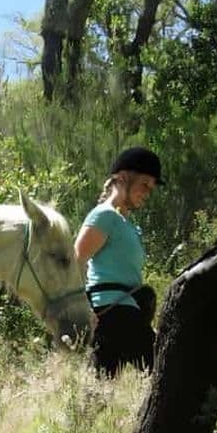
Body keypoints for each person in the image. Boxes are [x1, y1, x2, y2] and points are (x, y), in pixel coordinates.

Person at [74, 147, 162, 378]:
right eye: (144, 184)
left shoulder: (127, 224)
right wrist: (83, 310)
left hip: (124, 310)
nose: (147, 193)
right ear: (122, 178)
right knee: (165, 371)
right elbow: (76, 261)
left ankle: (82, 414)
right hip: (112, 311)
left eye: (151, 189)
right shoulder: (104, 216)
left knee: (99, 389)